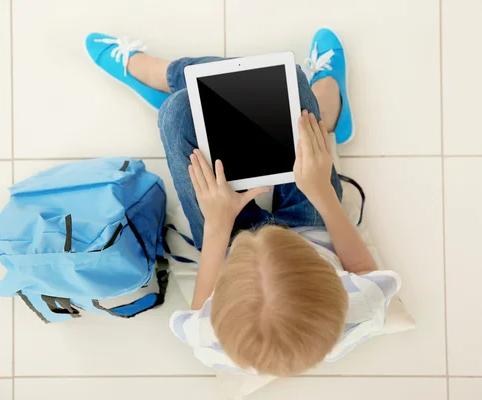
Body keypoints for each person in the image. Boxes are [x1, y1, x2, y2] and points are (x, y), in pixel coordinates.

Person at [86, 28, 401, 376]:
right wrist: (322, 193)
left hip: (224, 237)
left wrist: (220, 227)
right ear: (336, 288)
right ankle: (329, 110)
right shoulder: (361, 310)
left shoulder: (210, 340)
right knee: (289, 81)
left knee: (176, 115)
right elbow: (362, 269)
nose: (264, 231)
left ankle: (170, 77)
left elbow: (202, 300)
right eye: (277, 241)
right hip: (313, 221)